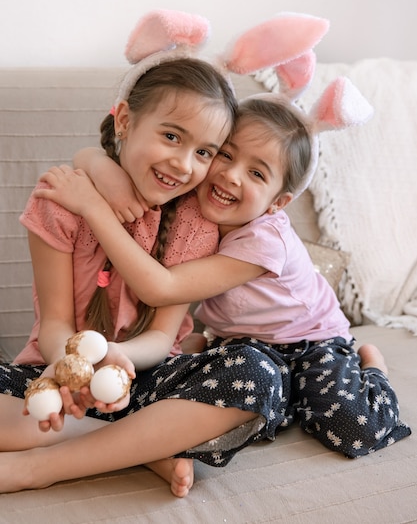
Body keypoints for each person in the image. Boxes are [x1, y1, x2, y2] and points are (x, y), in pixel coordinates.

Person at [17, 85, 410, 496]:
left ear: (279, 202)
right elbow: (108, 148)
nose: (230, 174)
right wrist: (96, 165)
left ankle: (373, 366)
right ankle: (149, 444)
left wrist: (95, 209)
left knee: (352, 427)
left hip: (310, 342)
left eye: (256, 173)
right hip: (234, 342)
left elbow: (160, 288)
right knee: (247, 374)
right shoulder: (186, 194)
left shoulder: (263, 239)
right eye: (225, 154)